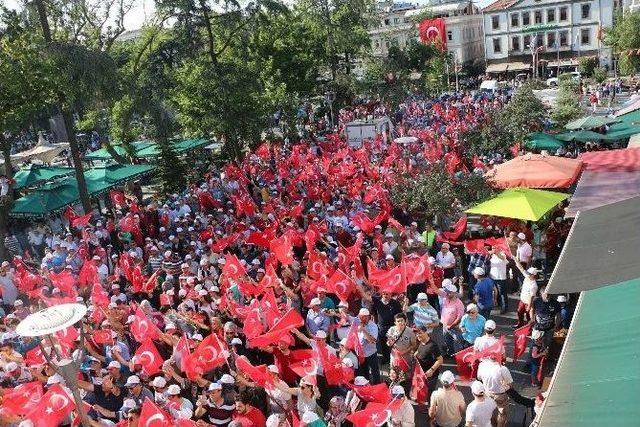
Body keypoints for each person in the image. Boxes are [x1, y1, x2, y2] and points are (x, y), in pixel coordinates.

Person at [477, 356, 513, 427]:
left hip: (487, 393)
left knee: (490, 411)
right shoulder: (503, 369)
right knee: (502, 413)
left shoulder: (482, 365)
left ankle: (492, 425)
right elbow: (510, 385)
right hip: (500, 395)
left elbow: (479, 377)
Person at [414, 326, 444, 395]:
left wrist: (431, 370)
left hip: (430, 377)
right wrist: (415, 355)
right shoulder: (422, 342)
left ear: (426, 333)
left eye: (420, 333)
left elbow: (440, 360)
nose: (418, 335)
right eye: (416, 334)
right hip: (421, 374)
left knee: (429, 394)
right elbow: (419, 351)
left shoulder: (433, 346)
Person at [439, 280, 465, 356]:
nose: (447, 293)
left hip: (454, 327)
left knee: (458, 341)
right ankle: (450, 353)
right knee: (447, 340)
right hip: (445, 325)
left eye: (449, 292)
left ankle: (459, 355)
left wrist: (451, 326)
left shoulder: (459, 303)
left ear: (454, 293)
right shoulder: (446, 299)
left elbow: (459, 317)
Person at [513, 260, 539, 328]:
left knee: (528, 317)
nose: (527, 274)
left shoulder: (534, 285)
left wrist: (529, 306)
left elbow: (531, 297)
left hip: (528, 303)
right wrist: (516, 260)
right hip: (522, 300)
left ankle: (529, 327)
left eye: (529, 274)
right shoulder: (527, 276)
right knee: (519, 312)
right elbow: (521, 268)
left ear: (534, 275)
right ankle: (520, 324)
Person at [488, 248, 508, 313]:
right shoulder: (493, 255)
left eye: (495, 248)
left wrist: (495, 252)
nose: (493, 249)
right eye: (493, 248)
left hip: (501, 278)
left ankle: (504, 308)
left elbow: (502, 257)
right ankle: (499, 304)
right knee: (496, 292)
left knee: (502, 293)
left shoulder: (503, 254)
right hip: (493, 277)